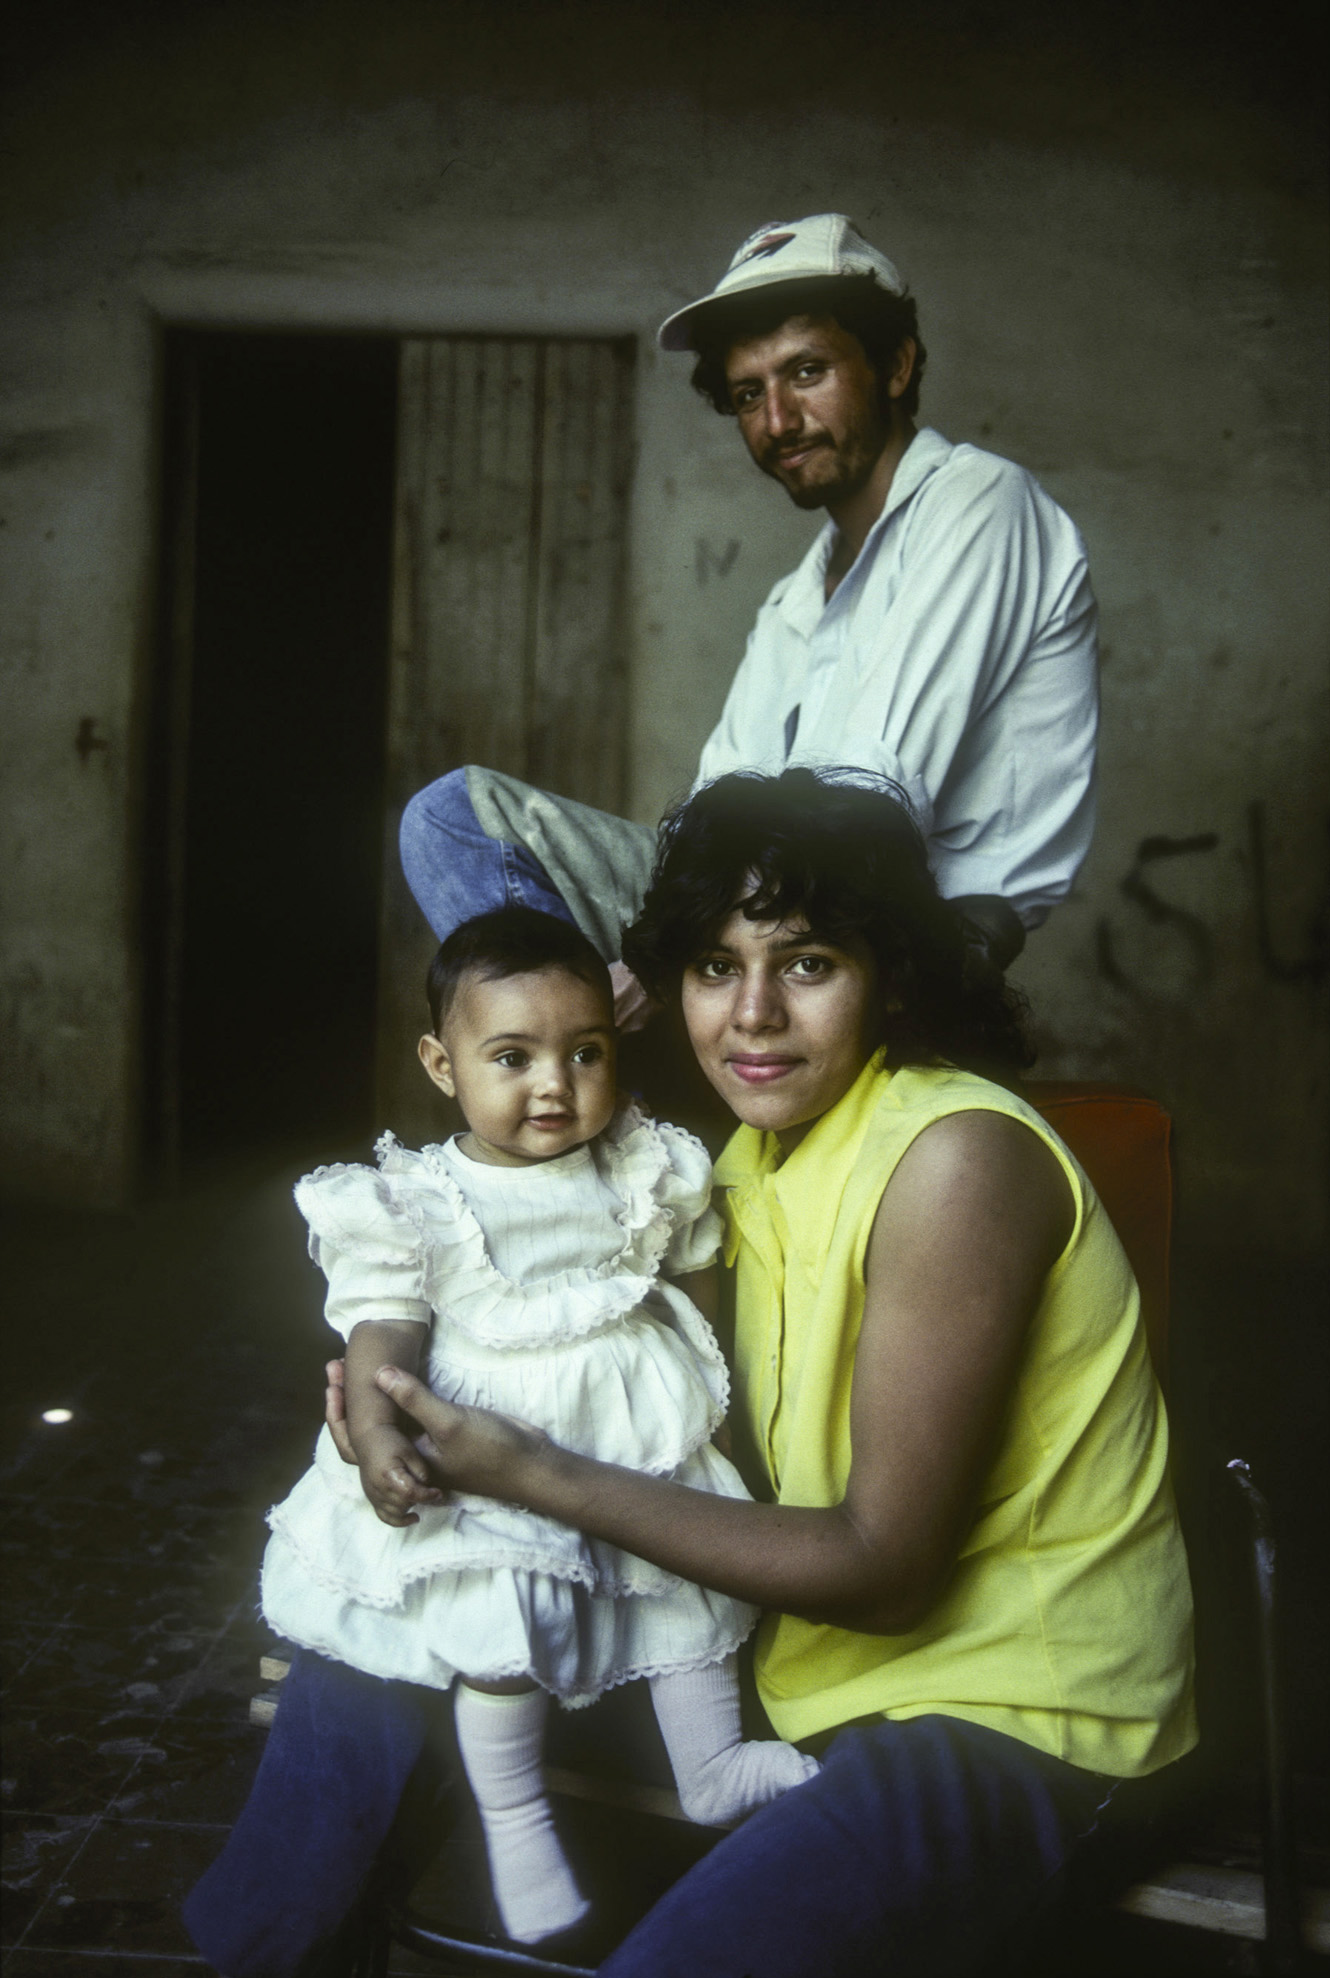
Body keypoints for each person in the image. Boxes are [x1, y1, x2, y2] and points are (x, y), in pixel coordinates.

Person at [360, 769, 1196, 1976]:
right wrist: (395, 1395)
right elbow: (676, 1423)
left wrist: (531, 1471)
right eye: (714, 966)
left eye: (805, 963)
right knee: (381, 1650)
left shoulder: (954, 1156)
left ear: (889, 976)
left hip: (1024, 1717)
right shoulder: (745, 1166)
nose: (751, 1014)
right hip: (814, 1678)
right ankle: (277, 1937)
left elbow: (884, 1569)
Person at [253, 907, 816, 1949]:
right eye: (512, 1058)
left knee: (688, 1591)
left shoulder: (643, 1164)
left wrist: (718, 1409)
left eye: (585, 1053)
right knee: (502, 1619)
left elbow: (699, 1282)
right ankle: (513, 1815)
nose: (555, 1085)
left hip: (631, 1432)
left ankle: (712, 1769)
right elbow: (383, 1330)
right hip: (490, 1443)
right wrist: (376, 1434)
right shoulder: (419, 1198)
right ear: (442, 1064)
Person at [400, 212, 1099, 1014]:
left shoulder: (980, 502)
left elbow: (867, 800)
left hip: (902, 926)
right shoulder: (799, 593)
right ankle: (576, 1050)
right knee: (450, 819)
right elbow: (715, 808)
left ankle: (606, 1049)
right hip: (767, 892)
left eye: (807, 372)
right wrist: (668, 935)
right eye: (748, 394)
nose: (778, 421)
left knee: (794, 860)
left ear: (896, 365)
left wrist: (659, 961)